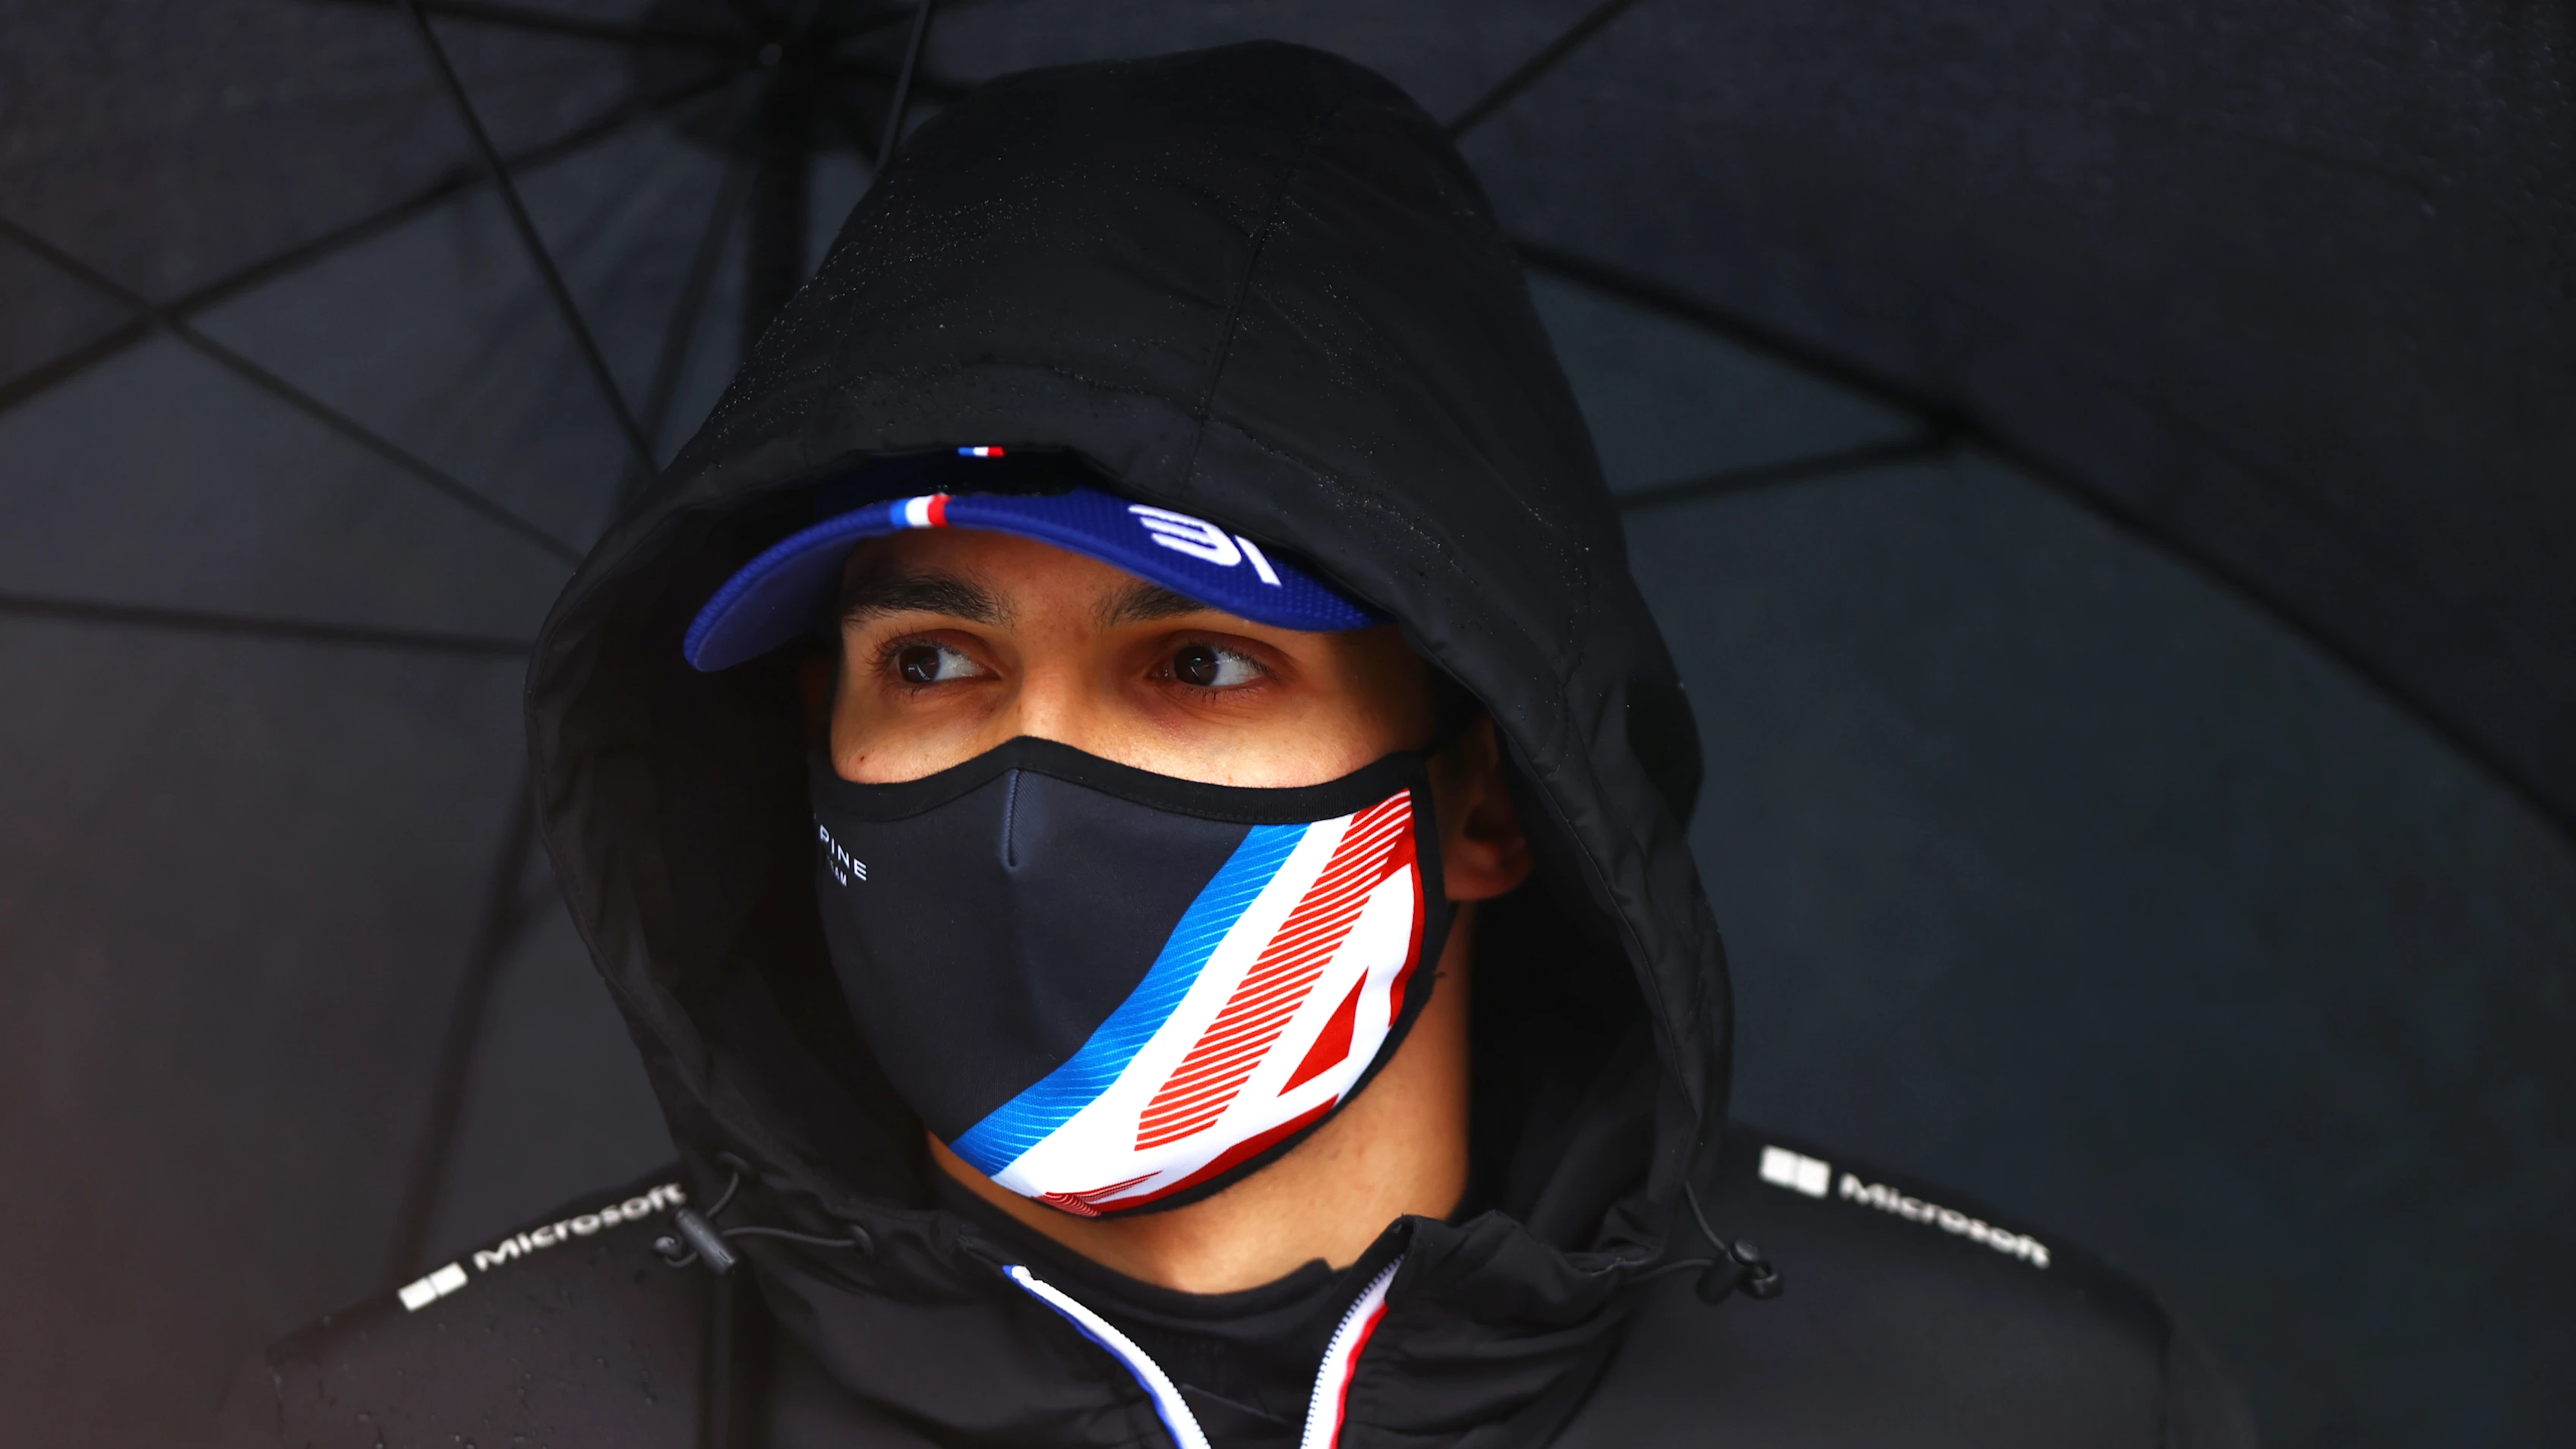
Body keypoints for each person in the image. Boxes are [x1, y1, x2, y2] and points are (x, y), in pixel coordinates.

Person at [213, 41, 2258, 1449]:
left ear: (1482, 793)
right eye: (932, 664)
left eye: (1194, 662)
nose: (1025, 796)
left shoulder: (2019, 1403)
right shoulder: (435, 1417)